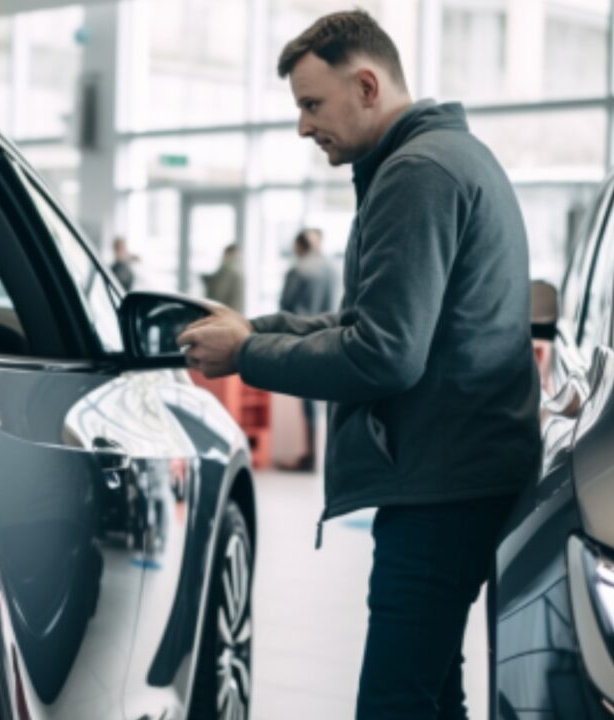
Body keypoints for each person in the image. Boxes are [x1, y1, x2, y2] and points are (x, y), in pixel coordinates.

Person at [176, 9, 541, 718]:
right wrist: (259, 328)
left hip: (442, 485)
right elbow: (373, 321)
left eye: (313, 104)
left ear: (367, 85)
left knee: (395, 704)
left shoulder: (418, 174)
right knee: (433, 695)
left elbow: (383, 355)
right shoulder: (445, 158)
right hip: (462, 472)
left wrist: (249, 353)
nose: (304, 127)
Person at [279, 228, 337, 471]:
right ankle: (322, 457)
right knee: (327, 401)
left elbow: (285, 307)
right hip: (331, 336)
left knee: (309, 402)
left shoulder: (299, 269)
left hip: (302, 339)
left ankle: (311, 456)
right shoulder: (332, 269)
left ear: (299, 246)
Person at [201, 243, 245, 312]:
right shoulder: (238, 272)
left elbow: (218, 294)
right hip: (233, 314)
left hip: (225, 313)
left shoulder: (229, 272)